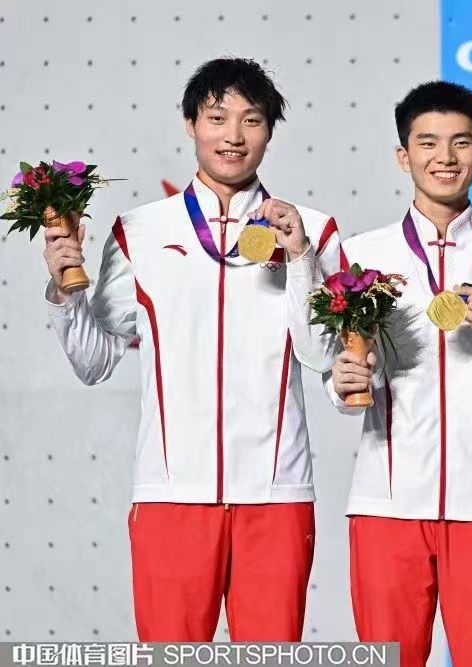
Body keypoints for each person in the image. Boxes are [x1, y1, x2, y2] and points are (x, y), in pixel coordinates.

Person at [42, 57, 341, 641]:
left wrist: (302, 258)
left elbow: (323, 353)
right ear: (190, 124)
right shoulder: (141, 231)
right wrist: (64, 290)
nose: (233, 136)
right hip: (170, 495)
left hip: (276, 494)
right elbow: (95, 361)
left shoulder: (311, 230)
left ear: (270, 131)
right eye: (217, 117)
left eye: (251, 120)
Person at [327, 81, 472, 667]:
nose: (444, 157)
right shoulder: (360, 256)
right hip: (387, 502)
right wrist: (344, 385)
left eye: (460, 142)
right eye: (427, 143)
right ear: (403, 156)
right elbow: (339, 374)